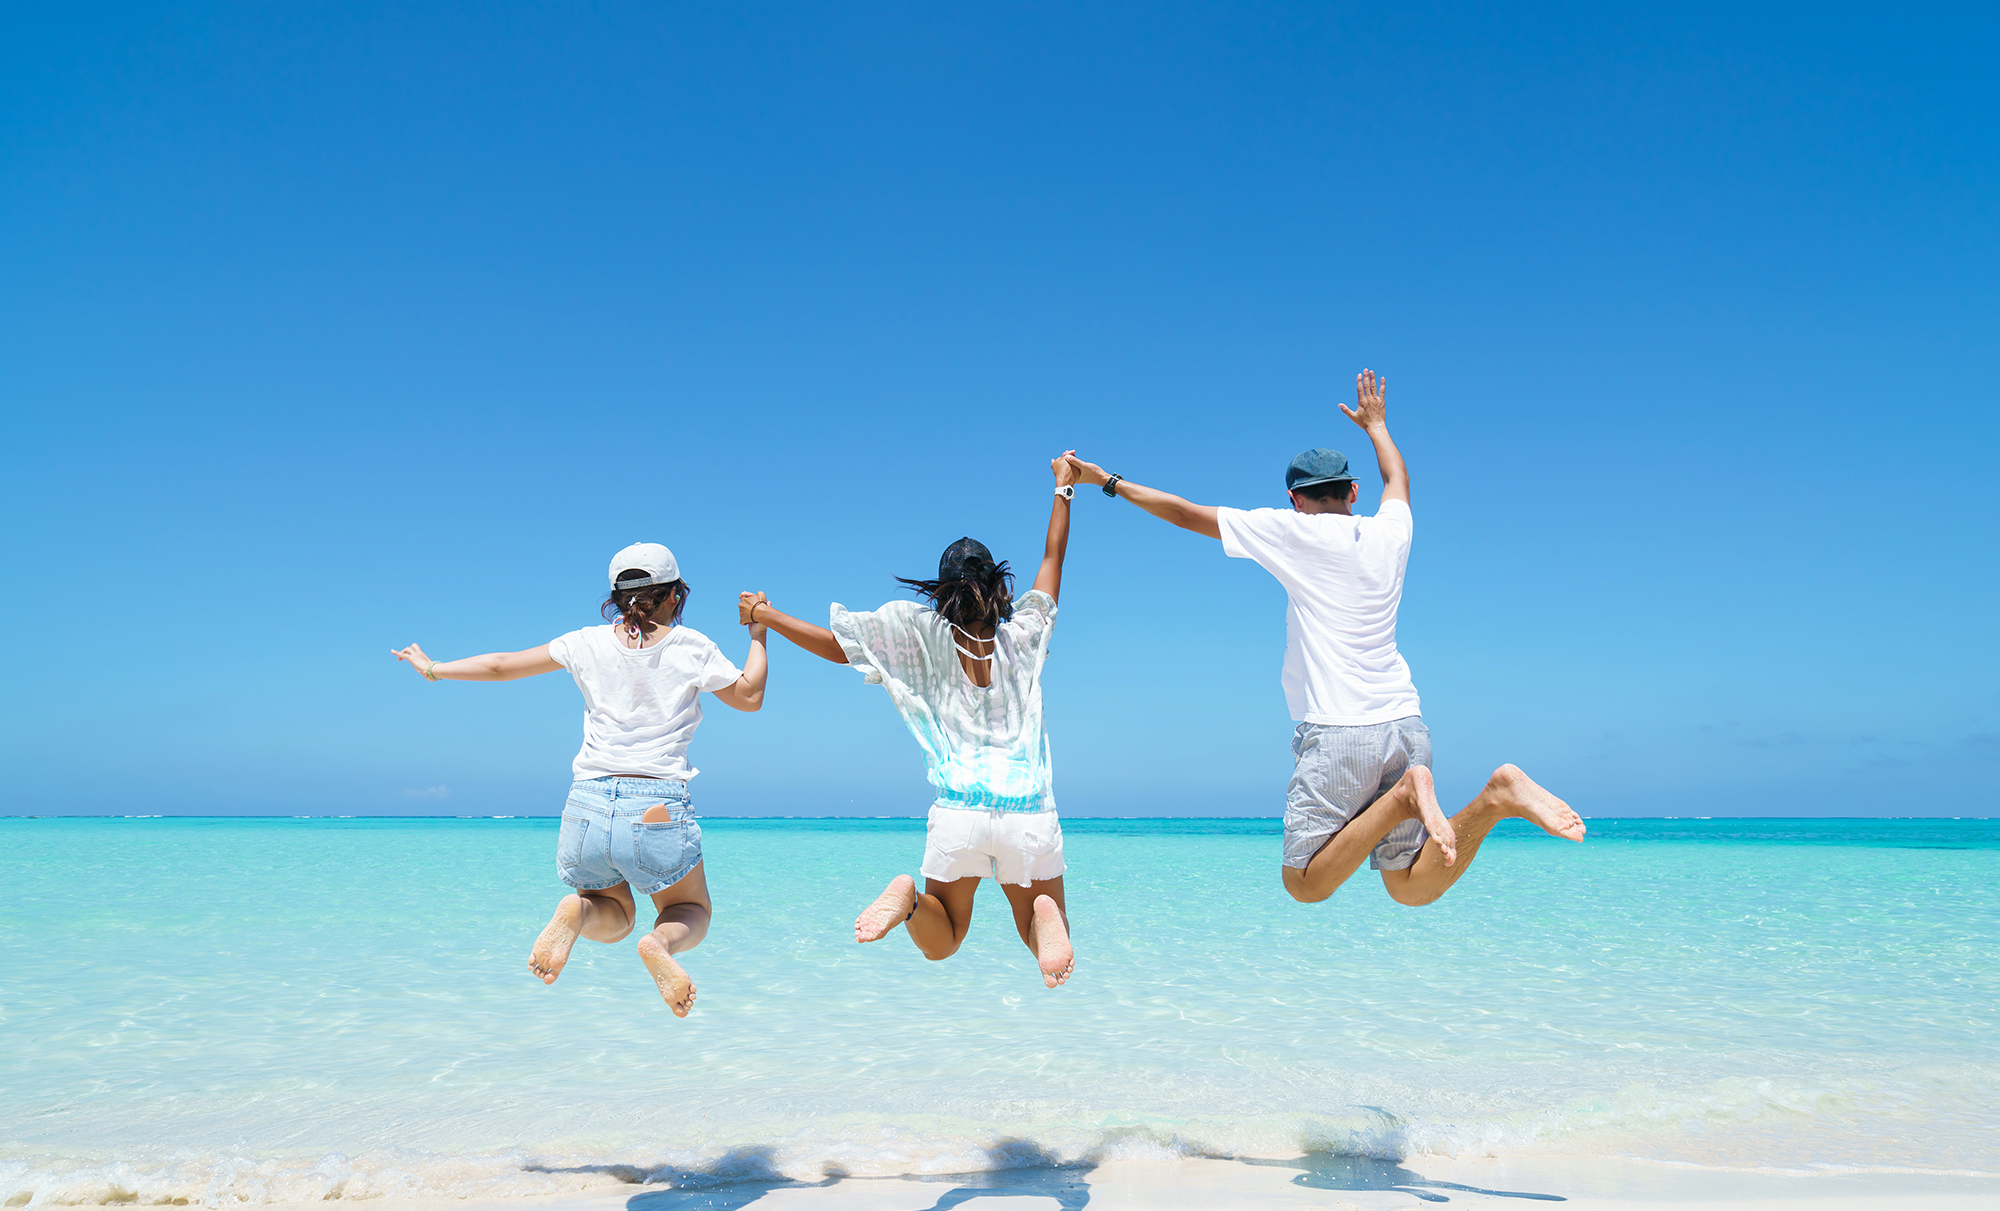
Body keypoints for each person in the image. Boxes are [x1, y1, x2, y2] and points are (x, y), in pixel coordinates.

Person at [1064, 370, 1584, 908]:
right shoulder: (1389, 534)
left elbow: (1184, 513)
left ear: (1295, 499)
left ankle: (1408, 796)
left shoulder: (1292, 531)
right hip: (1406, 727)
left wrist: (1107, 481)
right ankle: (1496, 797)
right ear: (1353, 492)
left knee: (1304, 884)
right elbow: (1398, 481)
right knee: (1411, 888)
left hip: (1340, 732)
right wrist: (1377, 426)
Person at [737, 458, 1079, 987]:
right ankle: (1042, 917)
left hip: (958, 812)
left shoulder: (917, 635)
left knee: (944, 941)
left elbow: (837, 647)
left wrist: (763, 616)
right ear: (999, 588)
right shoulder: (1027, 636)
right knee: (1032, 920)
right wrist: (1063, 488)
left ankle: (911, 903)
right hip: (1029, 811)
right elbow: (1052, 557)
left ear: (942, 594)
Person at [390, 542, 767, 1016]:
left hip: (586, 804)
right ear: (675, 595)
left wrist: (433, 668)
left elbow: (501, 666)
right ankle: (661, 945)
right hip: (655, 804)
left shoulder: (584, 642)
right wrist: (759, 633)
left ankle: (579, 912)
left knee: (613, 913)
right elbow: (749, 697)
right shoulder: (693, 647)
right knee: (689, 913)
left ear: (616, 596)